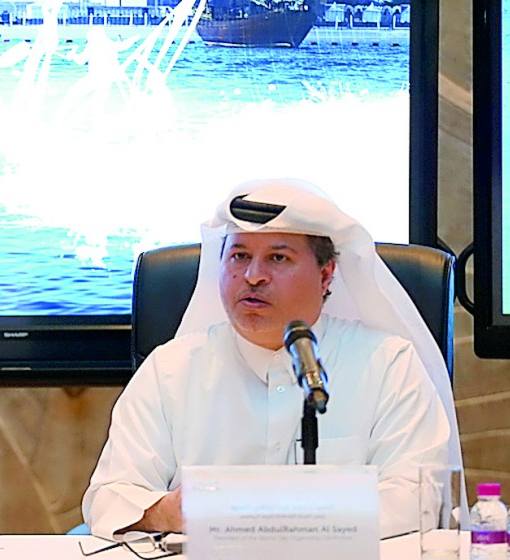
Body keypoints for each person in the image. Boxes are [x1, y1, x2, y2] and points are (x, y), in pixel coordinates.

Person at [83, 179, 460, 539]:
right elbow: (109, 496)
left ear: (326, 274)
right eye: (239, 256)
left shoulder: (388, 364)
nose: (253, 276)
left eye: (277, 257)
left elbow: (418, 496)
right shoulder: (171, 369)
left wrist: (275, 520)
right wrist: (168, 510)